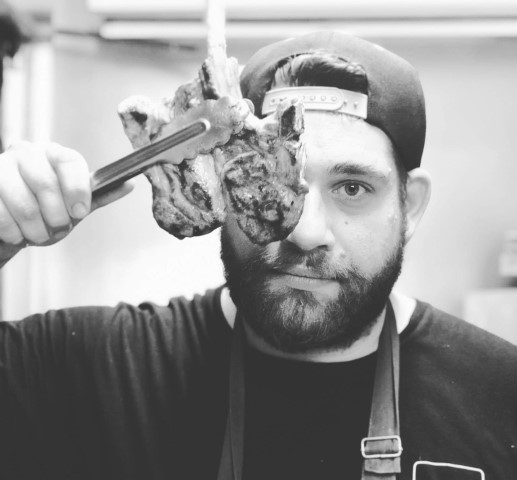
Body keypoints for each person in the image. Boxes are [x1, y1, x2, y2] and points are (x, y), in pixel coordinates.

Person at [0, 31, 515, 480]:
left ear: (411, 206)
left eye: (352, 188)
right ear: (218, 184)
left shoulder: (501, 397)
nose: (305, 231)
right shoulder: (94, 372)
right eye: (260, 177)